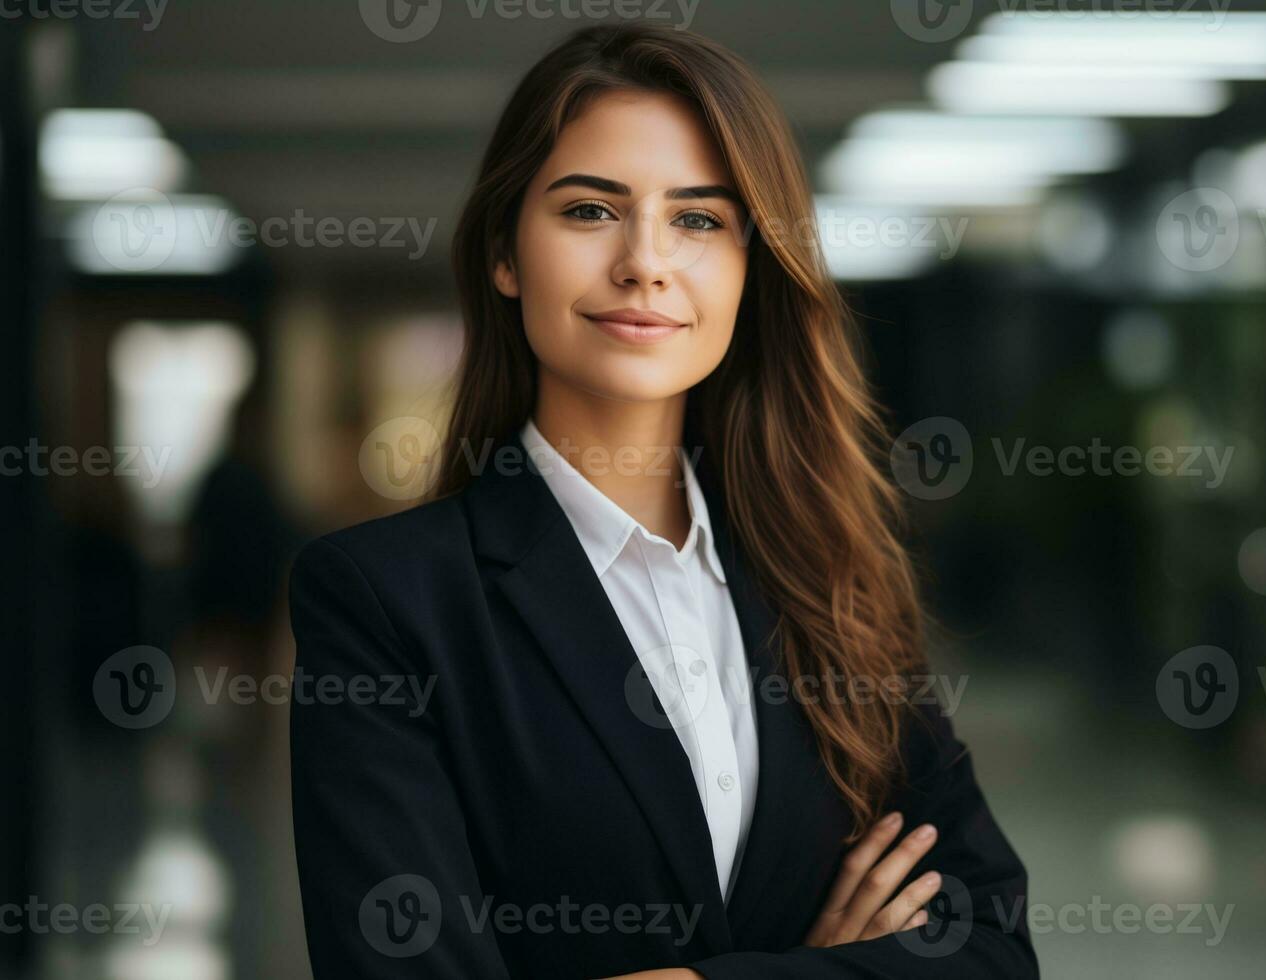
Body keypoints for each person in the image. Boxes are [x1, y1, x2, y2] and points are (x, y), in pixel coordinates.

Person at [288, 22, 1035, 980]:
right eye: (591, 211)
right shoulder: (387, 601)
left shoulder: (830, 579)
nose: (646, 262)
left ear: (749, 271)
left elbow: (993, 949)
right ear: (505, 257)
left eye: (699, 220)